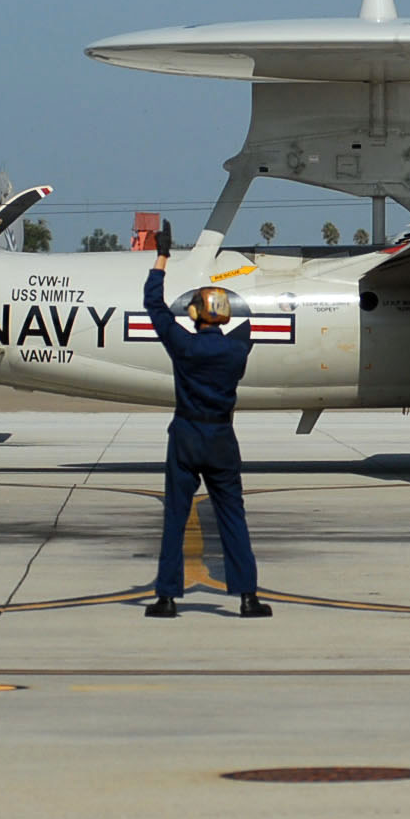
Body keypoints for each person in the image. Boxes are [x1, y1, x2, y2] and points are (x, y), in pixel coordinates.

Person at [142, 221, 268, 618]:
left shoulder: (184, 346)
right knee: (232, 515)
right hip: (221, 438)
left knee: (176, 518)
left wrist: (162, 257)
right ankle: (248, 596)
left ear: (195, 314)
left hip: (185, 436)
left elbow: (155, 306)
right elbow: (249, 325)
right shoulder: (237, 350)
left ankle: (165, 597)